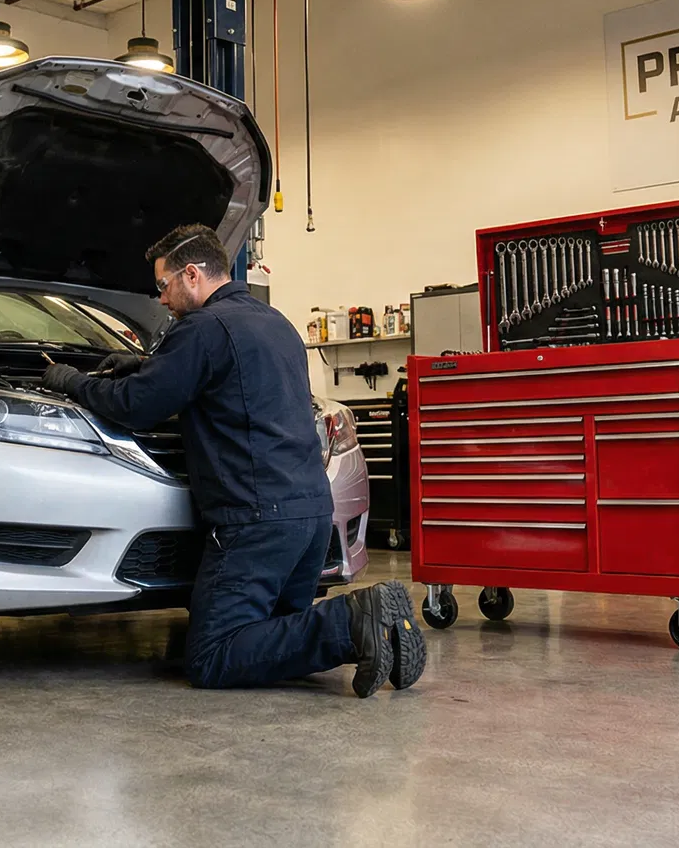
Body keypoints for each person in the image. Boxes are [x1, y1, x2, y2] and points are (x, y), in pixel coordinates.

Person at [39, 224, 424, 697]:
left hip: (257, 519)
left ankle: (350, 620)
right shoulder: (274, 321)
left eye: (163, 285)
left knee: (211, 656)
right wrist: (142, 364)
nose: (160, 299)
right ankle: (383, 629)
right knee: (275, 635)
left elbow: (134, 406)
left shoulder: (201, 328)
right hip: (309, 513)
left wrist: (71, 382)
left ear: (193, 275)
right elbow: (230, 375)